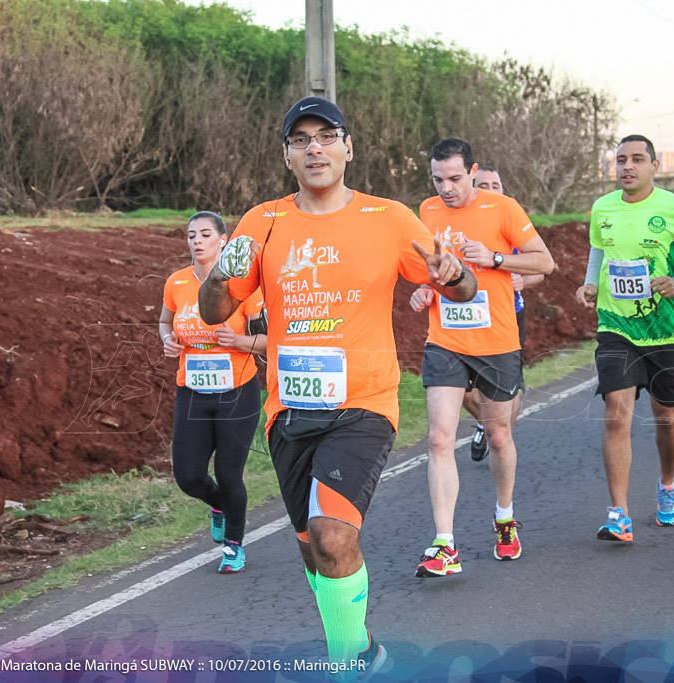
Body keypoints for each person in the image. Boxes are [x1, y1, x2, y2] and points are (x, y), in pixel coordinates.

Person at [198, 96, 476, 673]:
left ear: (348, 148)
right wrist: (223, 271)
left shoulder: (390, 218)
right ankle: (363, 644)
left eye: (326, 135)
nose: (314, 147)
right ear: (287, 156)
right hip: (289, 410)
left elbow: (461, 286)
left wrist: (455, 275)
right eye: (301, 140)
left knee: (330, 535)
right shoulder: (262, 223)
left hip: (364, 404)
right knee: (311, 546)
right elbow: (212, 310)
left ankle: (345, 662)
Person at [410, 139, 554, 576]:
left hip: (496, 342)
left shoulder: (503, 208)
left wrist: (494, 258)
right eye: (438, 180)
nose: (447, 188)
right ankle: (444, 545)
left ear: (472, 171)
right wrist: (425, 289)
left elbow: (544, 263)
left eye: (455, 178)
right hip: (445, 340)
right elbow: (432, 269)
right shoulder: (427, 211)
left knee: (499, 438)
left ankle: (505, 517)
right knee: (438, 438)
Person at [575, 134, 674, 543]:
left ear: (653, 166)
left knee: (667, 417)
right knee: (616, 412)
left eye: (637, 159)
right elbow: (599, 250)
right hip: (617, 326)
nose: (627, 167)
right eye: (620, 160)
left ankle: (667, 484)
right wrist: (589, 285)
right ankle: (619, 513)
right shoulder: (603, 207)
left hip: (668, 330)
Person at [159, 211, 266, 574]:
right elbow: (163, 322)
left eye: (206, 234)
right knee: (188, 476)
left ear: (224, 240)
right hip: (192, 391)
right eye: (191, 235)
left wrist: (239, 341)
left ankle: (234, 546)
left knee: (228, 471)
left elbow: (269, 341)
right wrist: (168, 341)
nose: (197, 241)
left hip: (238, 392)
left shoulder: (243, 287)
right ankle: (219, 503)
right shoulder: (176, 283)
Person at [465, 166, 545, 461]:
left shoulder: (510, 222)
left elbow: (541, 269)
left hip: (508, 317)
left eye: (495, 184)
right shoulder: (459, 223)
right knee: (459, 389)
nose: (490, 189)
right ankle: (488, 425)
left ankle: (498, 436)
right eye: (483, 184)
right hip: (464, 320)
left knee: (507, 393)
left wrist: (523, 279)